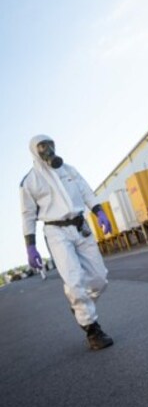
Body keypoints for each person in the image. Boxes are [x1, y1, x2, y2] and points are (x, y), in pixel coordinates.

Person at [20, 135, 114, 350]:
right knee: (74, 281)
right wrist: (30, 245)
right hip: (56, 232)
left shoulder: (69, 170)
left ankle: (78, 303)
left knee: (100, 278)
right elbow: (27, 214)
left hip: (81, 225)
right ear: (34, 151)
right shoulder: (29, 181)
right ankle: (92, 328)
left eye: (50, 144)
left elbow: (86, 192)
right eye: (42, 146)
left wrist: (100, 212)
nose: (48, 149)